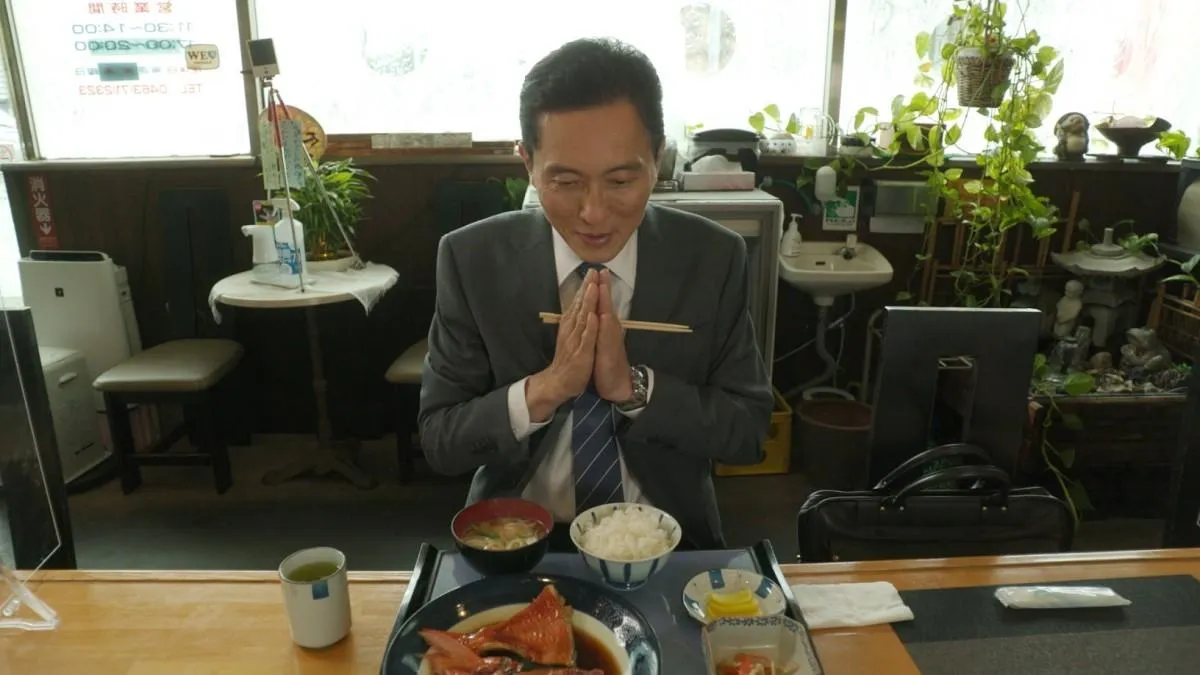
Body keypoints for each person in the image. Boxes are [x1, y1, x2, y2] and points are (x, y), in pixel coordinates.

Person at [418, 37, 773, 550]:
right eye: (566, 182)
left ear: (658, 158)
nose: (595, 213)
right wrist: (547, 388)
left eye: (621, 181)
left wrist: (632, 388)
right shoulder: (473, 260)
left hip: (662, 539)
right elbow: (440, 441)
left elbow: (748, 433)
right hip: (518, 540)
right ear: (528, 163)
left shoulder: (711, 258)